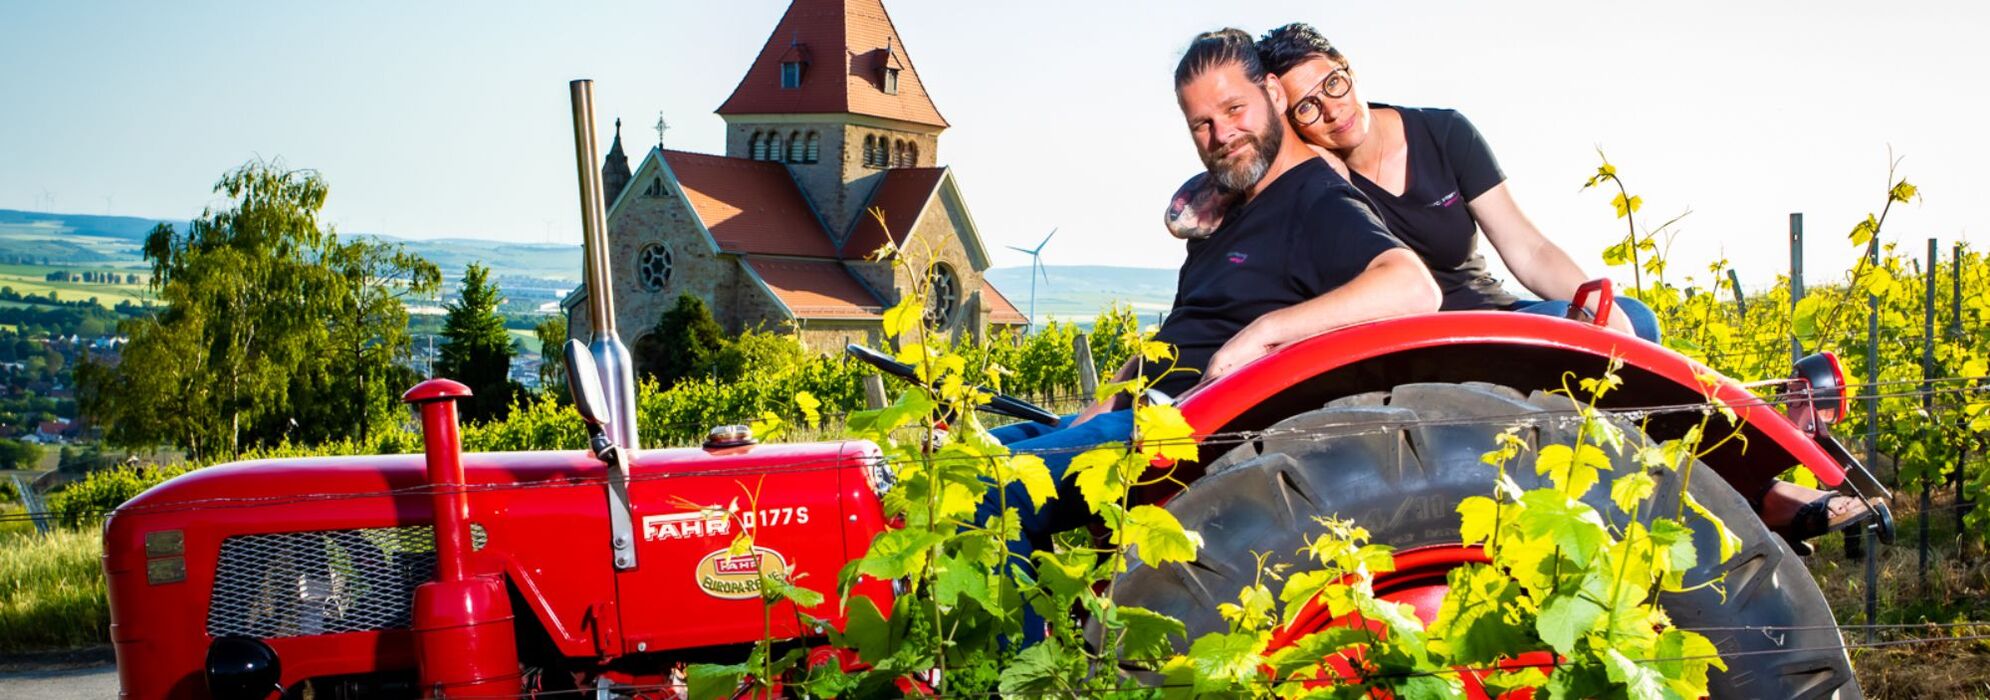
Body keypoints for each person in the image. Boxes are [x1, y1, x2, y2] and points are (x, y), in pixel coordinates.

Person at [1169, 21, 1872, 552]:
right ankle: (1747, 496)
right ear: (1285, 116)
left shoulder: (1442, 134)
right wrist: (1198, 200)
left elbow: (1526, 246)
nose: (1329, 110)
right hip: (1414, 333)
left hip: (1491, 313)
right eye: (1305, 107)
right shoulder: (1320, 176)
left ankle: (1744, 486)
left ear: (1349, 71)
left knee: (1632, 326)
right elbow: (1231, 181)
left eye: (1333, 85)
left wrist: (1596, 306)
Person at [982, 28, 1439, 576]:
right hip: (1132, 415)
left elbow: (1413, 287)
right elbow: (1184, 332)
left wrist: (1264, 334)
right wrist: (1097, 408)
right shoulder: (1230, 209)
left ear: (1274, 94)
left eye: (1234, 109)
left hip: (1188, 432)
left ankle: (1028, 634)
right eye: (1201, 123)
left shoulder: (1316, 200)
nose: (1221, 134)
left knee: (991, 488)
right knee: (953, 463)